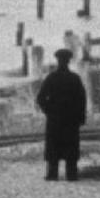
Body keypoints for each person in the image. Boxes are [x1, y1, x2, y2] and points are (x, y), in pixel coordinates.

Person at [36, 48, 87, 182]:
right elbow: (82, 100)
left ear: (58, 61)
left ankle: (53, 174)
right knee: (70, 149)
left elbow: (41, 98)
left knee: (55, 148)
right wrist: (80, 117)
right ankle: (71, 175)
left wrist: (49, 111)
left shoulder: (52, 78)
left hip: (56, 120)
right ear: (68, 61)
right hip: (70, 119)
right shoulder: (74, 78)